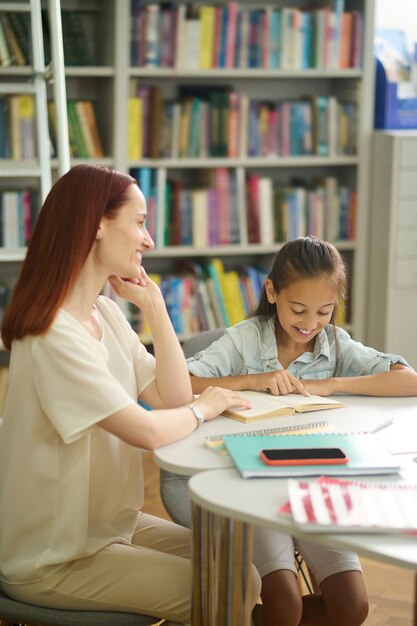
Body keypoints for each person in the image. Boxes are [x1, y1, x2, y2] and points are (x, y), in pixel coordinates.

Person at [0, 164, 261, 626]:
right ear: (97, 224)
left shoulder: (104, 311)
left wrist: (155, 306)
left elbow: (171, 396)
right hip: (53, 556)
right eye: (140, 222)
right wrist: (208, 405)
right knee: (224, 588)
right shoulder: (51, 333)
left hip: (107, 529)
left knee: (243, 574)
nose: (149, 239)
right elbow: (147, 430)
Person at [162, 236, 417, 626]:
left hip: (317, 484)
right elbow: (182, 381)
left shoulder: (334, 343)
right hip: (252, 487)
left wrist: (332, 385)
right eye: (298, 309)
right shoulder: (245, 338)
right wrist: (254, 379)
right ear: (272, 292)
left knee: (352, 608)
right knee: (285, 608)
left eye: (324, 312)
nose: (310, 324)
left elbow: (408, 380)